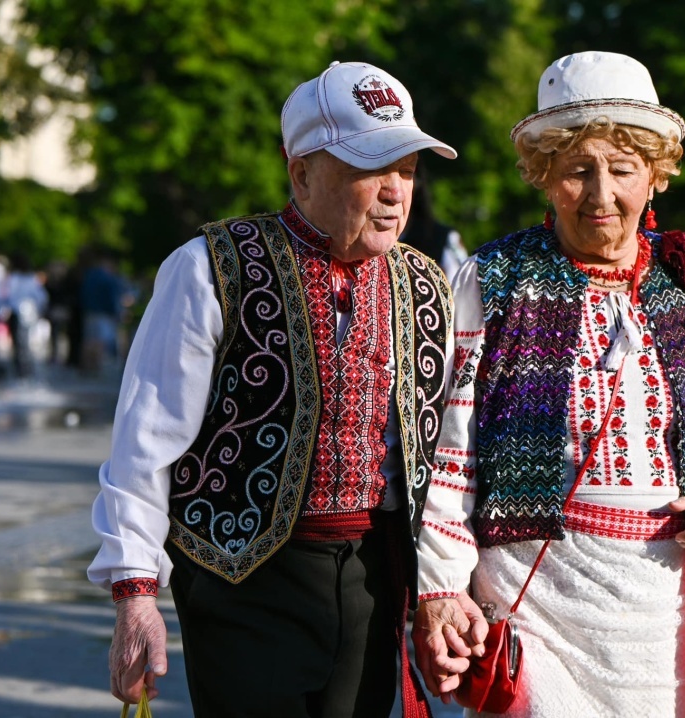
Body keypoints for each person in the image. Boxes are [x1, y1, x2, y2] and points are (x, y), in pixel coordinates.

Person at [88, 60, 456, 717]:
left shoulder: (426, 283)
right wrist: (134, 593)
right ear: (302, 172)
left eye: (407, 168)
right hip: (241, 581)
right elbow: (144, 444)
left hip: (373, 580)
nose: (397, 192)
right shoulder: (210, 268)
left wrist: (446, 587)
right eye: (373, 167)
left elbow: (448, 453)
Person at [411, 51, 685, 718]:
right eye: (578, 171)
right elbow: (451, 455)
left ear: (657, 176)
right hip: (535, 598)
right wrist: (439, 589)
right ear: (544, 176)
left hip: (664, 613)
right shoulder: (493, 280)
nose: (603, 196)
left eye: (624, 170)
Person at [398, 166, 469, 279]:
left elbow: (461, 288)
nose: (394, 186)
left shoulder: (444, 238)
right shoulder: (367, 242)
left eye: (406, 173)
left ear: (418, 181)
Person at [5, 252, 49, 379]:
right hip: (29, 313)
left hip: (15, 312)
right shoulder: (32, 279)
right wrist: (39, 310)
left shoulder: (12, 278)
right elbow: (42, 297)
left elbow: (7, 296)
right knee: (26, 341)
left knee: (18, 343)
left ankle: (20, 368)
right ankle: (26, 368)